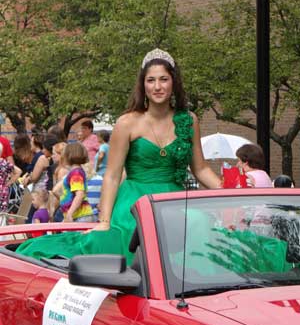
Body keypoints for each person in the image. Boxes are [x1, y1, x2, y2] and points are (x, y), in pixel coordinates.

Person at [17, 48, 221, 263]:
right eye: (151, 80)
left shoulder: (189, 120)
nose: (158, 86)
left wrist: (231, 192)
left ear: (174, 82)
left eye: (164, 79)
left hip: (175, 200)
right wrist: (104, 221)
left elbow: (201, 169)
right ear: (143, 84)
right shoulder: (127, 123)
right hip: (136, 200)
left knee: (201, 228)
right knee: (135, 234)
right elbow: (112, 176)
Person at [55, 143, 94, 222]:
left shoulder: (76, 173)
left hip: (80, 216)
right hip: (77, 215)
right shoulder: (74, 172)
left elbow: (79, 195)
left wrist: (70, 213)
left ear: (68, 156)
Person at [0, 143, 21, 213]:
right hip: (3, 190)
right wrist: (7, 184)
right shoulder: (4, 163)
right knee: (2, 214)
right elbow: (19, 171)